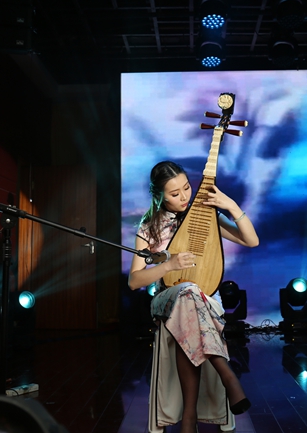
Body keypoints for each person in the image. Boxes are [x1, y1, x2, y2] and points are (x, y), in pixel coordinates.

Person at [129, 161, 259, 433]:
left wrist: (230, 205)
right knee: (187, 292)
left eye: (187, 188)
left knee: (189, 305)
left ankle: (188, 417)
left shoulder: (203, 216)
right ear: (159, 196)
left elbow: (251, 241)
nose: (184, 196)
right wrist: (168, 265)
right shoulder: (150, 225)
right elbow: (134, 281)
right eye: (175, 193)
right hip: (166, 299)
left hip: (203, 300)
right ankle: (227, 375)